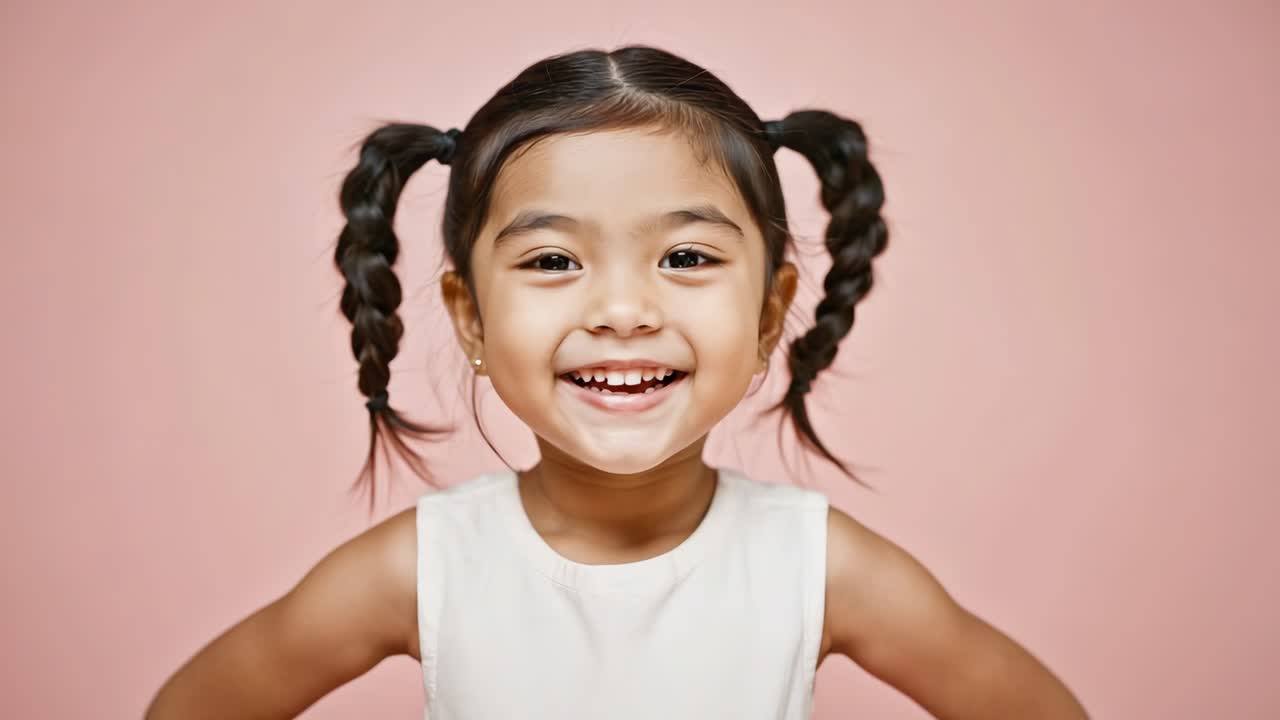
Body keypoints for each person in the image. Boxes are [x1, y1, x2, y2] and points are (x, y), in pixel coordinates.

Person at [146, 44, 1089, 719]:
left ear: (769, 313)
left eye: (685, 256)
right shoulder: (421, 570)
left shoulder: (819, 568)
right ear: (469, 316)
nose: (625, 309)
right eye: (554, 262)